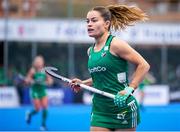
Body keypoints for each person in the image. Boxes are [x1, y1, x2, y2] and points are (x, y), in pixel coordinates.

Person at [70, 5, 150, 131]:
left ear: (106, 24)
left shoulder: (115, 44)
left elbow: (144, 65)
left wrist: (130, 88)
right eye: (87, 21)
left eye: (94, 20)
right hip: (100, 109)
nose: (89, 24)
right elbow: (100, 76)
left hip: (122, 107)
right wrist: (83, 83)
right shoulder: (90, 51)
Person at [25, 55, 53, 131]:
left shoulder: (45, 70)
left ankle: (43, 125)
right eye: (37, 62)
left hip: (42, 91)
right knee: (37, 109)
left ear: (42, 62)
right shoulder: (32, 70)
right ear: (35, 63)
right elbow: (27, 80)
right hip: (35, 91)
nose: (39, 63)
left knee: (45, 107)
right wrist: (30, 81)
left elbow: (50, 81)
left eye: (40, 61)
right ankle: (29, 114)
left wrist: (48, 82)